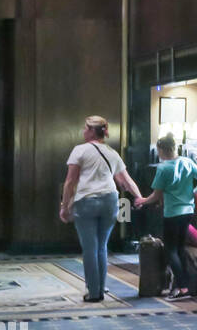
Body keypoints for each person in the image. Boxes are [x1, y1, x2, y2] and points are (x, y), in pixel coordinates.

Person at [59, 115, 145, 303]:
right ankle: (101, 286)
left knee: (90, 248)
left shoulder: (79, 150)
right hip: (110, 201)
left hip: (87, 201)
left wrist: (65, 207)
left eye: (85, 128)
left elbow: (69, 182)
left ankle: (94, 291)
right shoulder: (112, 153)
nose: (83, 131)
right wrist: (139, 197)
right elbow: (127, 180)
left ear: (91, 131)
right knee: (102, 246)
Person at [135, 134, 197, 300]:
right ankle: (185, 286)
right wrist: (193, 193)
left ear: (161, 150)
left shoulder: (163, 168)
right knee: (180, 248)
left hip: (172, 213)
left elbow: (156, 195)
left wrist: (142, 201)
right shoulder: (187, 162)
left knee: (171, 250)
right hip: (188, 211)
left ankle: (182, 288)